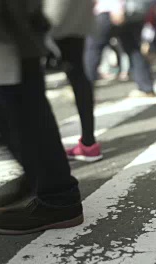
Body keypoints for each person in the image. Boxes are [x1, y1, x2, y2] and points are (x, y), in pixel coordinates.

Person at [0, 0, 84, 235]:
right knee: (0, 97)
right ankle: (45, 184)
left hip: (3, 17)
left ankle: (57, 196)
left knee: (18, 98)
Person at [43, 0, 102, 162]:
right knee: (78, 74)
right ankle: (88, 142)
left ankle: (46, 148)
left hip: (53, 13)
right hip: (77, 12)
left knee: (30, 79)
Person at [85, 0, 156, 97]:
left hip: (109, 11)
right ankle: (146, 87)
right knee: (133, 49)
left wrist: (116, 7)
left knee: (92, 51)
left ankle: (84, 92)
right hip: (125, 10)